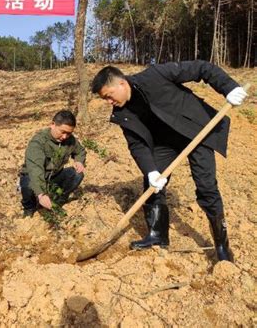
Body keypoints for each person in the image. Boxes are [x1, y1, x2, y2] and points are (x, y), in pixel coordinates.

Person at [91, 60, 247, 262]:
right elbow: (137, 144)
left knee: (206, 187)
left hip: (196, 131)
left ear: (121, 84)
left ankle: (221, 246)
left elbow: (202, 68)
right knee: (152, 184)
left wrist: (229, 88)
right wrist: (151, 171)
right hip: (165, 143)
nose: (109, 102)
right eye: (105, 99)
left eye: (108, 96)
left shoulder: (155, 75)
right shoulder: (123, 113)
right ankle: (157, 235)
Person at [19, 110, 86, 217]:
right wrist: (41, 194)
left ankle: (57, 202)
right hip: (34, 176)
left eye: (69, 133)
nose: (65, 137)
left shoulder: (70, 140)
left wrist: (79, 161)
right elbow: (35, 170)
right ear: (53, 125)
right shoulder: (38, 142)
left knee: (77, 174)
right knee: (28, 185)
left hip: (54, 176)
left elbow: (80, 151)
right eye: (62, 132)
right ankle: (29, 208)